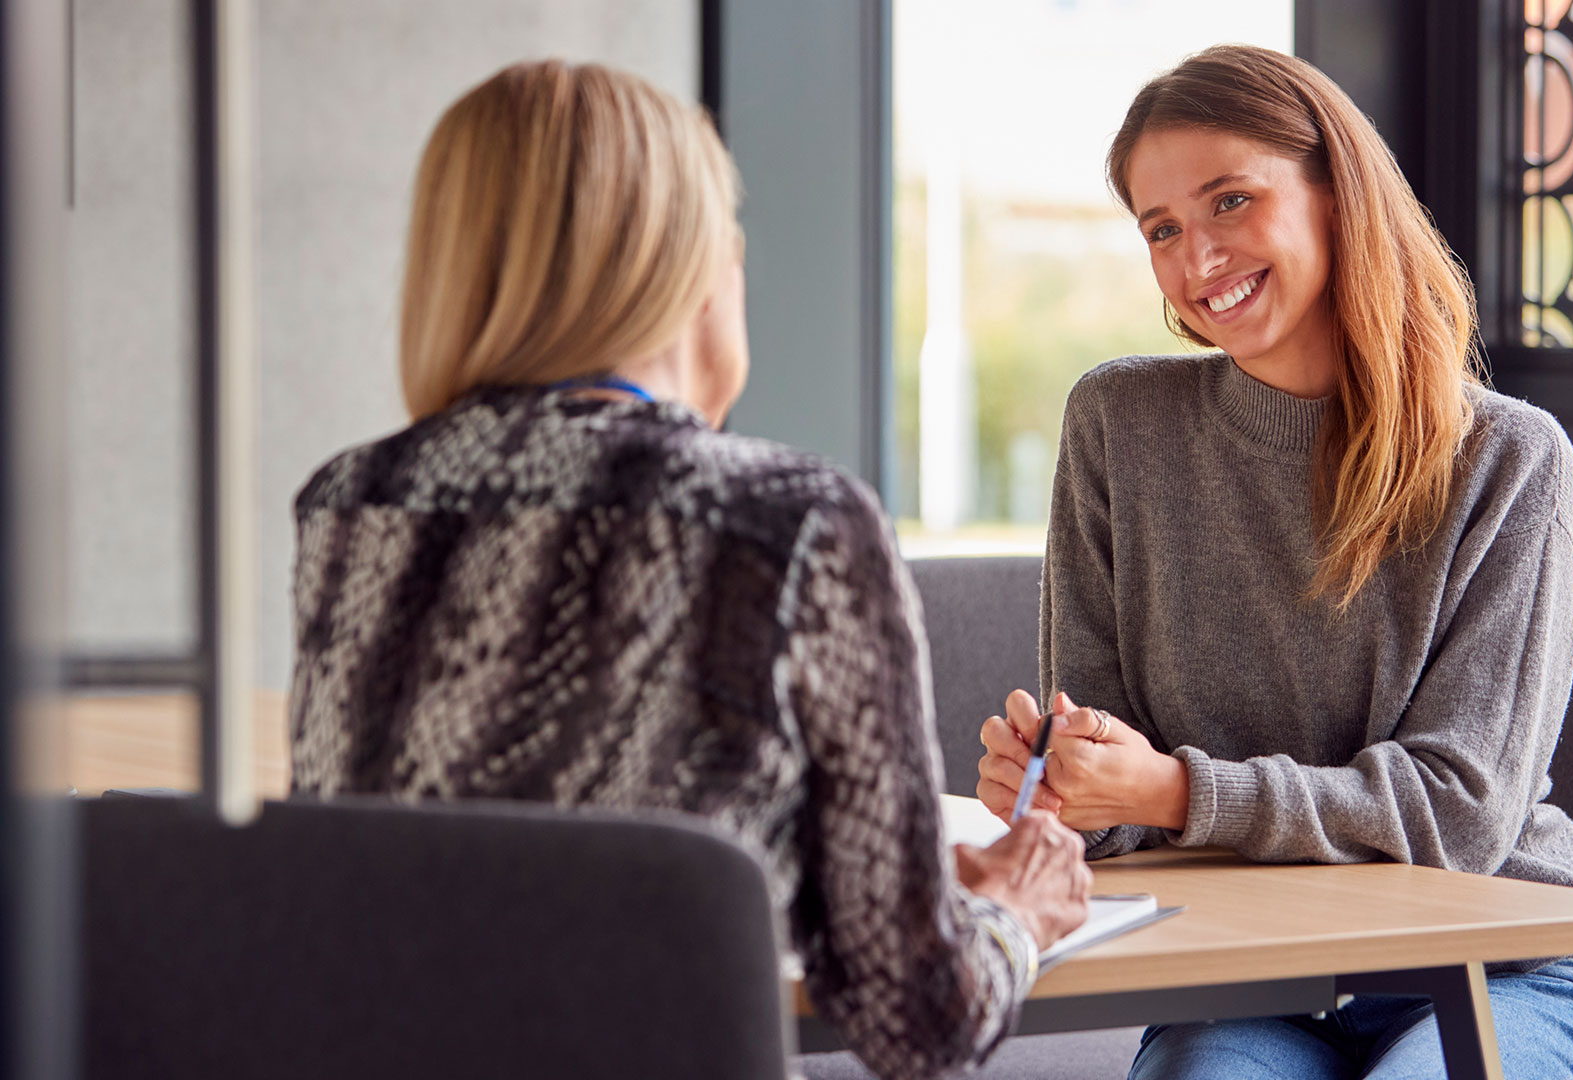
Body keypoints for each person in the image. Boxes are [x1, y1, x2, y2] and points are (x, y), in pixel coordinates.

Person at [286, 60, 1090, 1080]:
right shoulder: (789, 521)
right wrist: (1014, 909)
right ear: (698, 270)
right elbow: (916, 1022)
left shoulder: (350, 503)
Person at [975, 45, 1573, 1080]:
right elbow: (1116, 811)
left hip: (1500, 966)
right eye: (1162, 229)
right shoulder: (1118, 425)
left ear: (1337, 191)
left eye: (1229, 202)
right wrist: (1069, 785)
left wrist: (1170, 793)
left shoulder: (1507, 460)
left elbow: (1457, 814)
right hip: (1245, 979)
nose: (1197, 261)